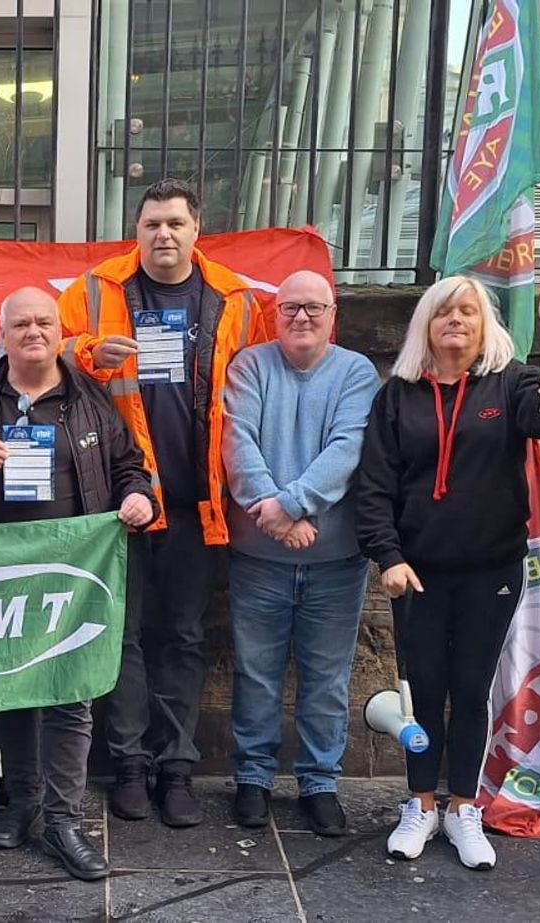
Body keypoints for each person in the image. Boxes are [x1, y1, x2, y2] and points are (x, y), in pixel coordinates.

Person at [57, 178, 276, 827]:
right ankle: (127, 764)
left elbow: (257, 385)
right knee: (122, 636)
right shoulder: (95, 290)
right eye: (152, 223)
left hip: (194, 503)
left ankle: (176, 766)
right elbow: (48, 352)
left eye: (175, 223)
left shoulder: (235, 298)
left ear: (196, 228)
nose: (163, 234)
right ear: (137, 228)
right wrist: (91, 352)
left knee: (182, 635)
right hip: (118, 498)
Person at [0, 287, 156, 881]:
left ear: (60, 331)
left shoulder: (90, 396)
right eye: (21, 323)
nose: (33, 332)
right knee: (10, 693)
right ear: (3, 333)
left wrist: (137, 495)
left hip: (74, 572)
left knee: (69, 696)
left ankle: (63, 820)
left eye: (43, 322)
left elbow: (131, 465)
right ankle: (22, 803)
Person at [352, 274, 540, 870]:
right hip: (417, 573)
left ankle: (464, 808)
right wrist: (388, 556)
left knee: (473, 689)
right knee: (423, 690)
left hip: (491, 569)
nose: (455, 320)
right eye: (444, 311)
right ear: (426, 324)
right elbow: (374, 483)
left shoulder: (512, 382)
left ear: (486, 326)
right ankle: (420, 803)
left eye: (468, 312)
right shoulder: (397, 394)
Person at [221, 270, 380, 837]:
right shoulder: (248, 366)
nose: (301, 318)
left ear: (333, 314)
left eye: (314, 307)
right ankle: (254, 779)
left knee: (327, 678)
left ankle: (320, 783)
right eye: (290, 307)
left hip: (337, 559)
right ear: (275, 313)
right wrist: (277, 514)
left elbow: (348, 447)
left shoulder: (357, 372)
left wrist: (290, 505)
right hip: (259, 556)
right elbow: (237, 443)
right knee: (257, 674)